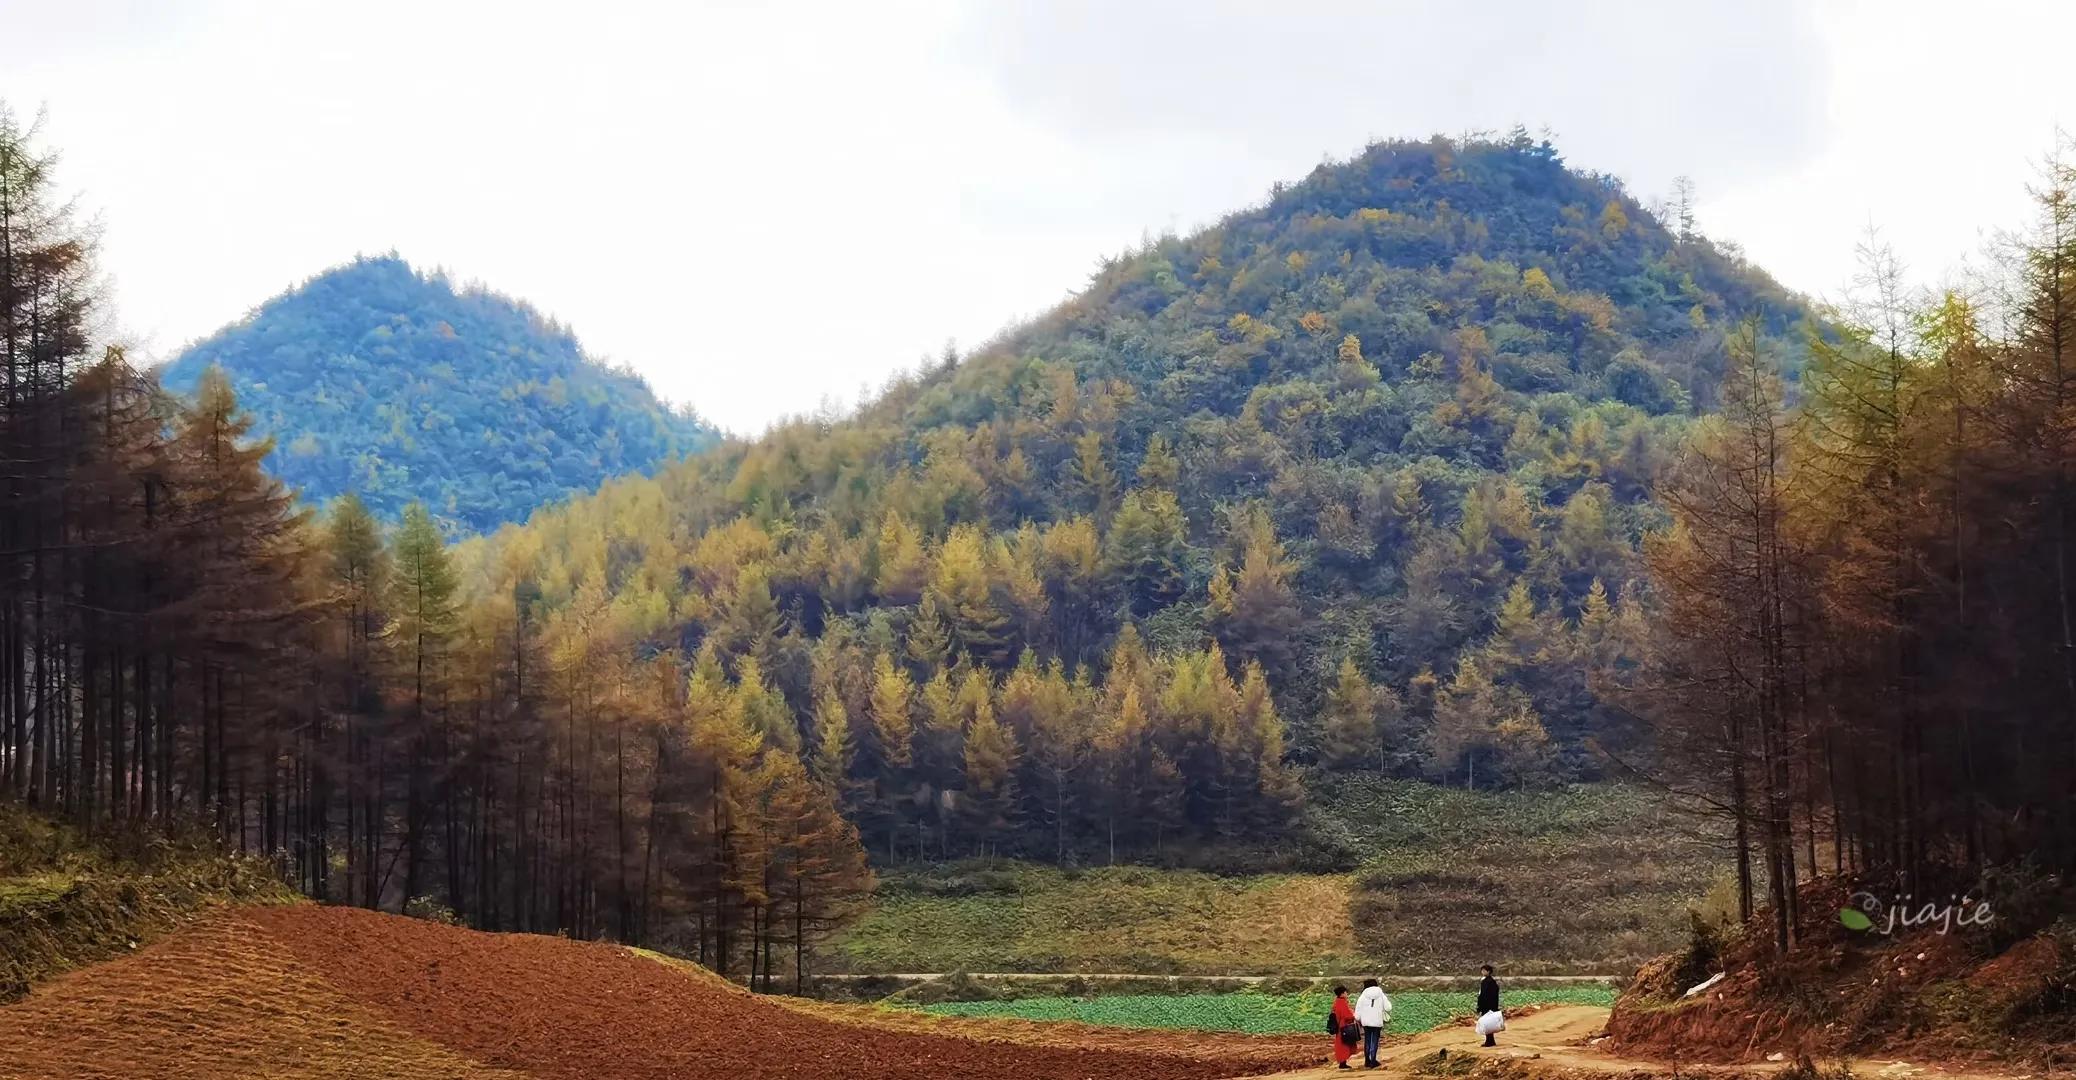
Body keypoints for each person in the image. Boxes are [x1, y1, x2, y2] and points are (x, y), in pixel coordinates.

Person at [1354, 977, 1391, 1068]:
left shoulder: (1363, 996)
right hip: (1377, 1021)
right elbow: (1388, 1007)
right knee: (1374, 1040)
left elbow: (1358, 1011)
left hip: (1366, 1022)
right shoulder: (1381, 994)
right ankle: (1373, 1060)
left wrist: (1358, 1018)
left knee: (1367, 1040)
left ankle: (1367, 1060)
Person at [1329, 985, 1358, 1069]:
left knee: (1341, 1044)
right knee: (1344, 1044)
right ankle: (1342, 1063)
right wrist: (1353, 1015)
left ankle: (1342, 1062)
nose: (1346, 993)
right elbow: (1347, 1016)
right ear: (1342, 994)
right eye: (1345, 992)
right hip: (1344, 1026)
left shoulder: (1337, 1002)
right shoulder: (1342, 1003)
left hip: (1340, 1027)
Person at [1476, 964, 1501, 1047]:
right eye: (1482, 970)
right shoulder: (1489, 981)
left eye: (1484, 970)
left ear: (1488, 971)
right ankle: (1490, 1040)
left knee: (1487, 1024)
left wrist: (1480, 1006)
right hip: (1490, 1005)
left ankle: (1489, 1041)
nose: (1482, 972)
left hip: (1487, 1006)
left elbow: (1484, 995)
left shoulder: (1488, 982)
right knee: (1488, 1023)